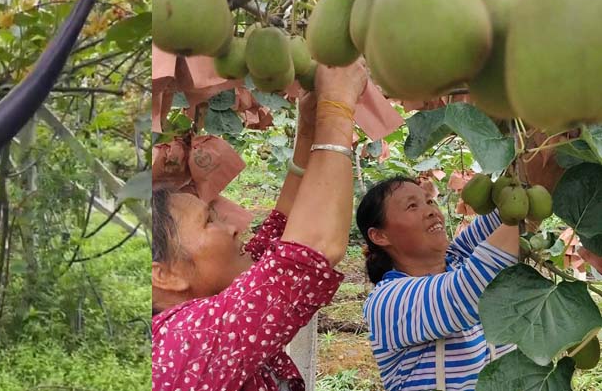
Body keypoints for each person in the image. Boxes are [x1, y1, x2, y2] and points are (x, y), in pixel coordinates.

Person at [152, 62, 368, 390]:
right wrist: (336, 109)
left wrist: (309, 130)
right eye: (209, 222)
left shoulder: (202, 321)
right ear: (164, 274)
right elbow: (309, 253)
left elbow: (279, 236)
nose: (233, 228)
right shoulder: (179, 341)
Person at [358, 176, 520, 391]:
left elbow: (503, 214)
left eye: (429, 201)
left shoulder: (458, 257)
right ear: (379, 236)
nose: (431, 211)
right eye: (412, 206)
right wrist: (519, 209)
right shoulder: (385, 301)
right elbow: (467, 294)